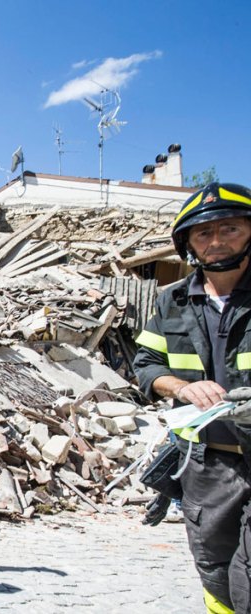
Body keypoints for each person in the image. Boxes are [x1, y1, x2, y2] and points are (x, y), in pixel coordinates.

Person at [133, 182, 251, 614]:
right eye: (203, 233)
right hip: (206, 461)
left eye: (230, 229)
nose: (216, 241)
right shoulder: (173, 301)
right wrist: (181, 388)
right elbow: (145, 365)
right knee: (215, 568)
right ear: (188, 244)